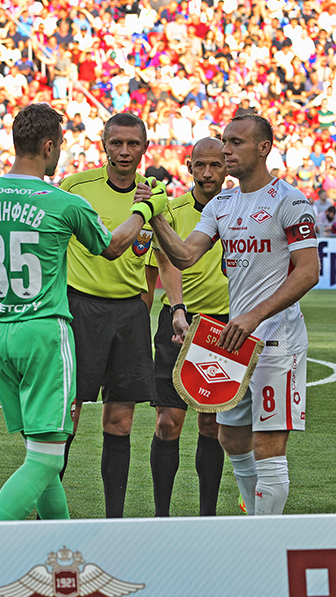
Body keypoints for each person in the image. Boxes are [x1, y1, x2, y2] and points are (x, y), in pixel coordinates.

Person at [0, 104, 166, 521]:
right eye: (60, 145)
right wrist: (143, 210)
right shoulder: (64, 202)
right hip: (45, 334)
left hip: (2, 335)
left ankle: (62, 543)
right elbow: (113, 247)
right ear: (49, 146)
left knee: (40, 453)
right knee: (45, 461)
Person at [143, 115, 319, 516]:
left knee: (268, 445)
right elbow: (185, 255)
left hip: (277, 341)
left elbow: (309, 271)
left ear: (263, 147)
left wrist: (254, 316)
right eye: (225, 141)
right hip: (235, 343)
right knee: (231, 438)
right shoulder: (222, 204)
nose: (226, 150)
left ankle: (263, 536)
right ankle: (255, 521)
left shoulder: (290, 201)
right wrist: (154, 215)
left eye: (236, 142)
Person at [60, 112, 164, 518]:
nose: (124, 151)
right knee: (66, 418)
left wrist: (143, 307)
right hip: (81, 309)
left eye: (132, 143)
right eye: (116, 142)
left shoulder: (154, 193)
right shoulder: (75, 187)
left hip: (129, 314)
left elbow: (158, 260)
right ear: (103, 144)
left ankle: (114, 522)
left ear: (144, 148)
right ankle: (46, 517)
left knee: (120, 422)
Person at [146, 137, 229, 517]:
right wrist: (178, 308)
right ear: (189, 166)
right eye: (200, 165)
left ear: (227, 167)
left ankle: (206, 517)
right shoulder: (172, 210)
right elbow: (164, 265)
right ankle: (162, 518)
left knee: (211, 424)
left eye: (215, 165)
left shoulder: (239, 209)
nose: (207, 173)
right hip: (179, 321)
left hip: (225, 325)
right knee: (168, 423)